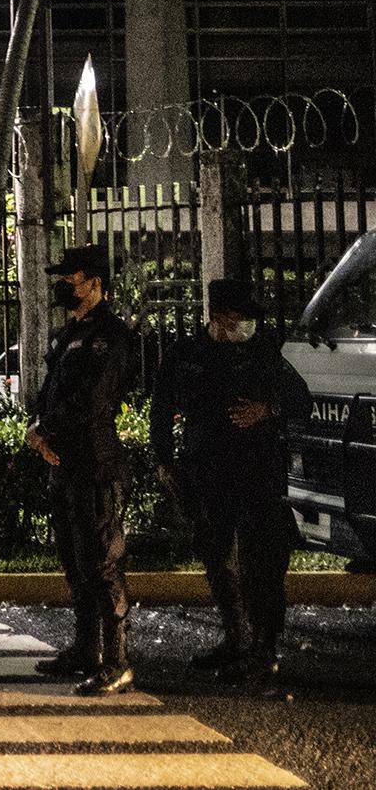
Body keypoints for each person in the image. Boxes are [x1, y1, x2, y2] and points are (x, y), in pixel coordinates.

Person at [152, 278, 311, 686]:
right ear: (219, 319)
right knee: (216, 556)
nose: (246, 326)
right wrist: (164, 460)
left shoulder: (262, 352)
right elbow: (162, 406)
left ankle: (264, 649)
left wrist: (266, 409)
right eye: (239, 319)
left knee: (261, 561)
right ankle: (236, 639)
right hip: (205, 471)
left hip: (256, 469)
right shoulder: (187, 354)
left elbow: (300, 399)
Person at [29, 245, 139, 696]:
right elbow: (49, 394)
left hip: (94, 463)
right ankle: (85, 649)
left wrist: (48, 429)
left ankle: (117, 661)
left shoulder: (109, 336)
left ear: (93, 282)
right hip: (64, 464)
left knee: (102, 563)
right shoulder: (66, 335)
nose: (61, 286)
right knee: (75, 563)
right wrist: (37, 431)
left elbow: (92, 401)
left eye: (68, 278)